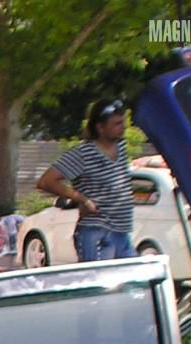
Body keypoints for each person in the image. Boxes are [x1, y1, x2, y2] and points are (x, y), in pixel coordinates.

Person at [37, 97, 136, 262]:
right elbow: (47, 181)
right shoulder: (84, 153)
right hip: (97, 231)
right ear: (100, 127)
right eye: (117, 124)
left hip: (122, 232)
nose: (123, 127)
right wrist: (82, 199)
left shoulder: (121, 147)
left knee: (131, 276)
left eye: (122, 122)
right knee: (100, 277)